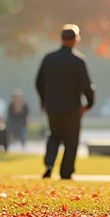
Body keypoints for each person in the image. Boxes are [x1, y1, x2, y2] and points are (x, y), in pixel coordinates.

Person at [35, 24, 96, 180]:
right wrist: (89, 103)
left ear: (61, 39)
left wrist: (44, 100)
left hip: (52, 106)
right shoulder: (78, 61)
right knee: (71, 139)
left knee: (54, 135)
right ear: (75, 40)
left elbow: (39, 82)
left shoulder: (49, 59)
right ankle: (66, 172)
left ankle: (49, 164)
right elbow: (86, 85)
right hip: (72, 107)